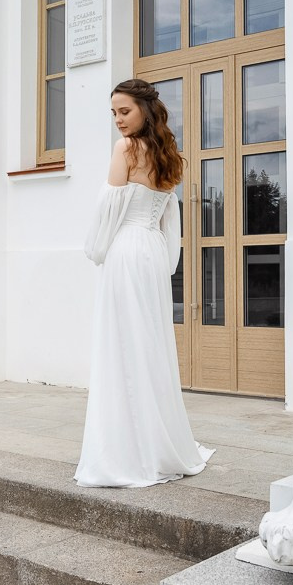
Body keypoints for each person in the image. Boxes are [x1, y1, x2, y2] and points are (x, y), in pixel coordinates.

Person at [74, 79, 214, 488]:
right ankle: (155, 444)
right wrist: (166, 259)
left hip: (126, 251)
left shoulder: (126, 149)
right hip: (151, 252)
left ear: (145, 111)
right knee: (148, 345)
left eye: (125, 111)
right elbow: (171, 220)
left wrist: (97, 249)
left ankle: (126, 452)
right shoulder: (171, 156)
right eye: (114, 113)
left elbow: (110, 207)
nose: (118, 121)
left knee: (121, 345)